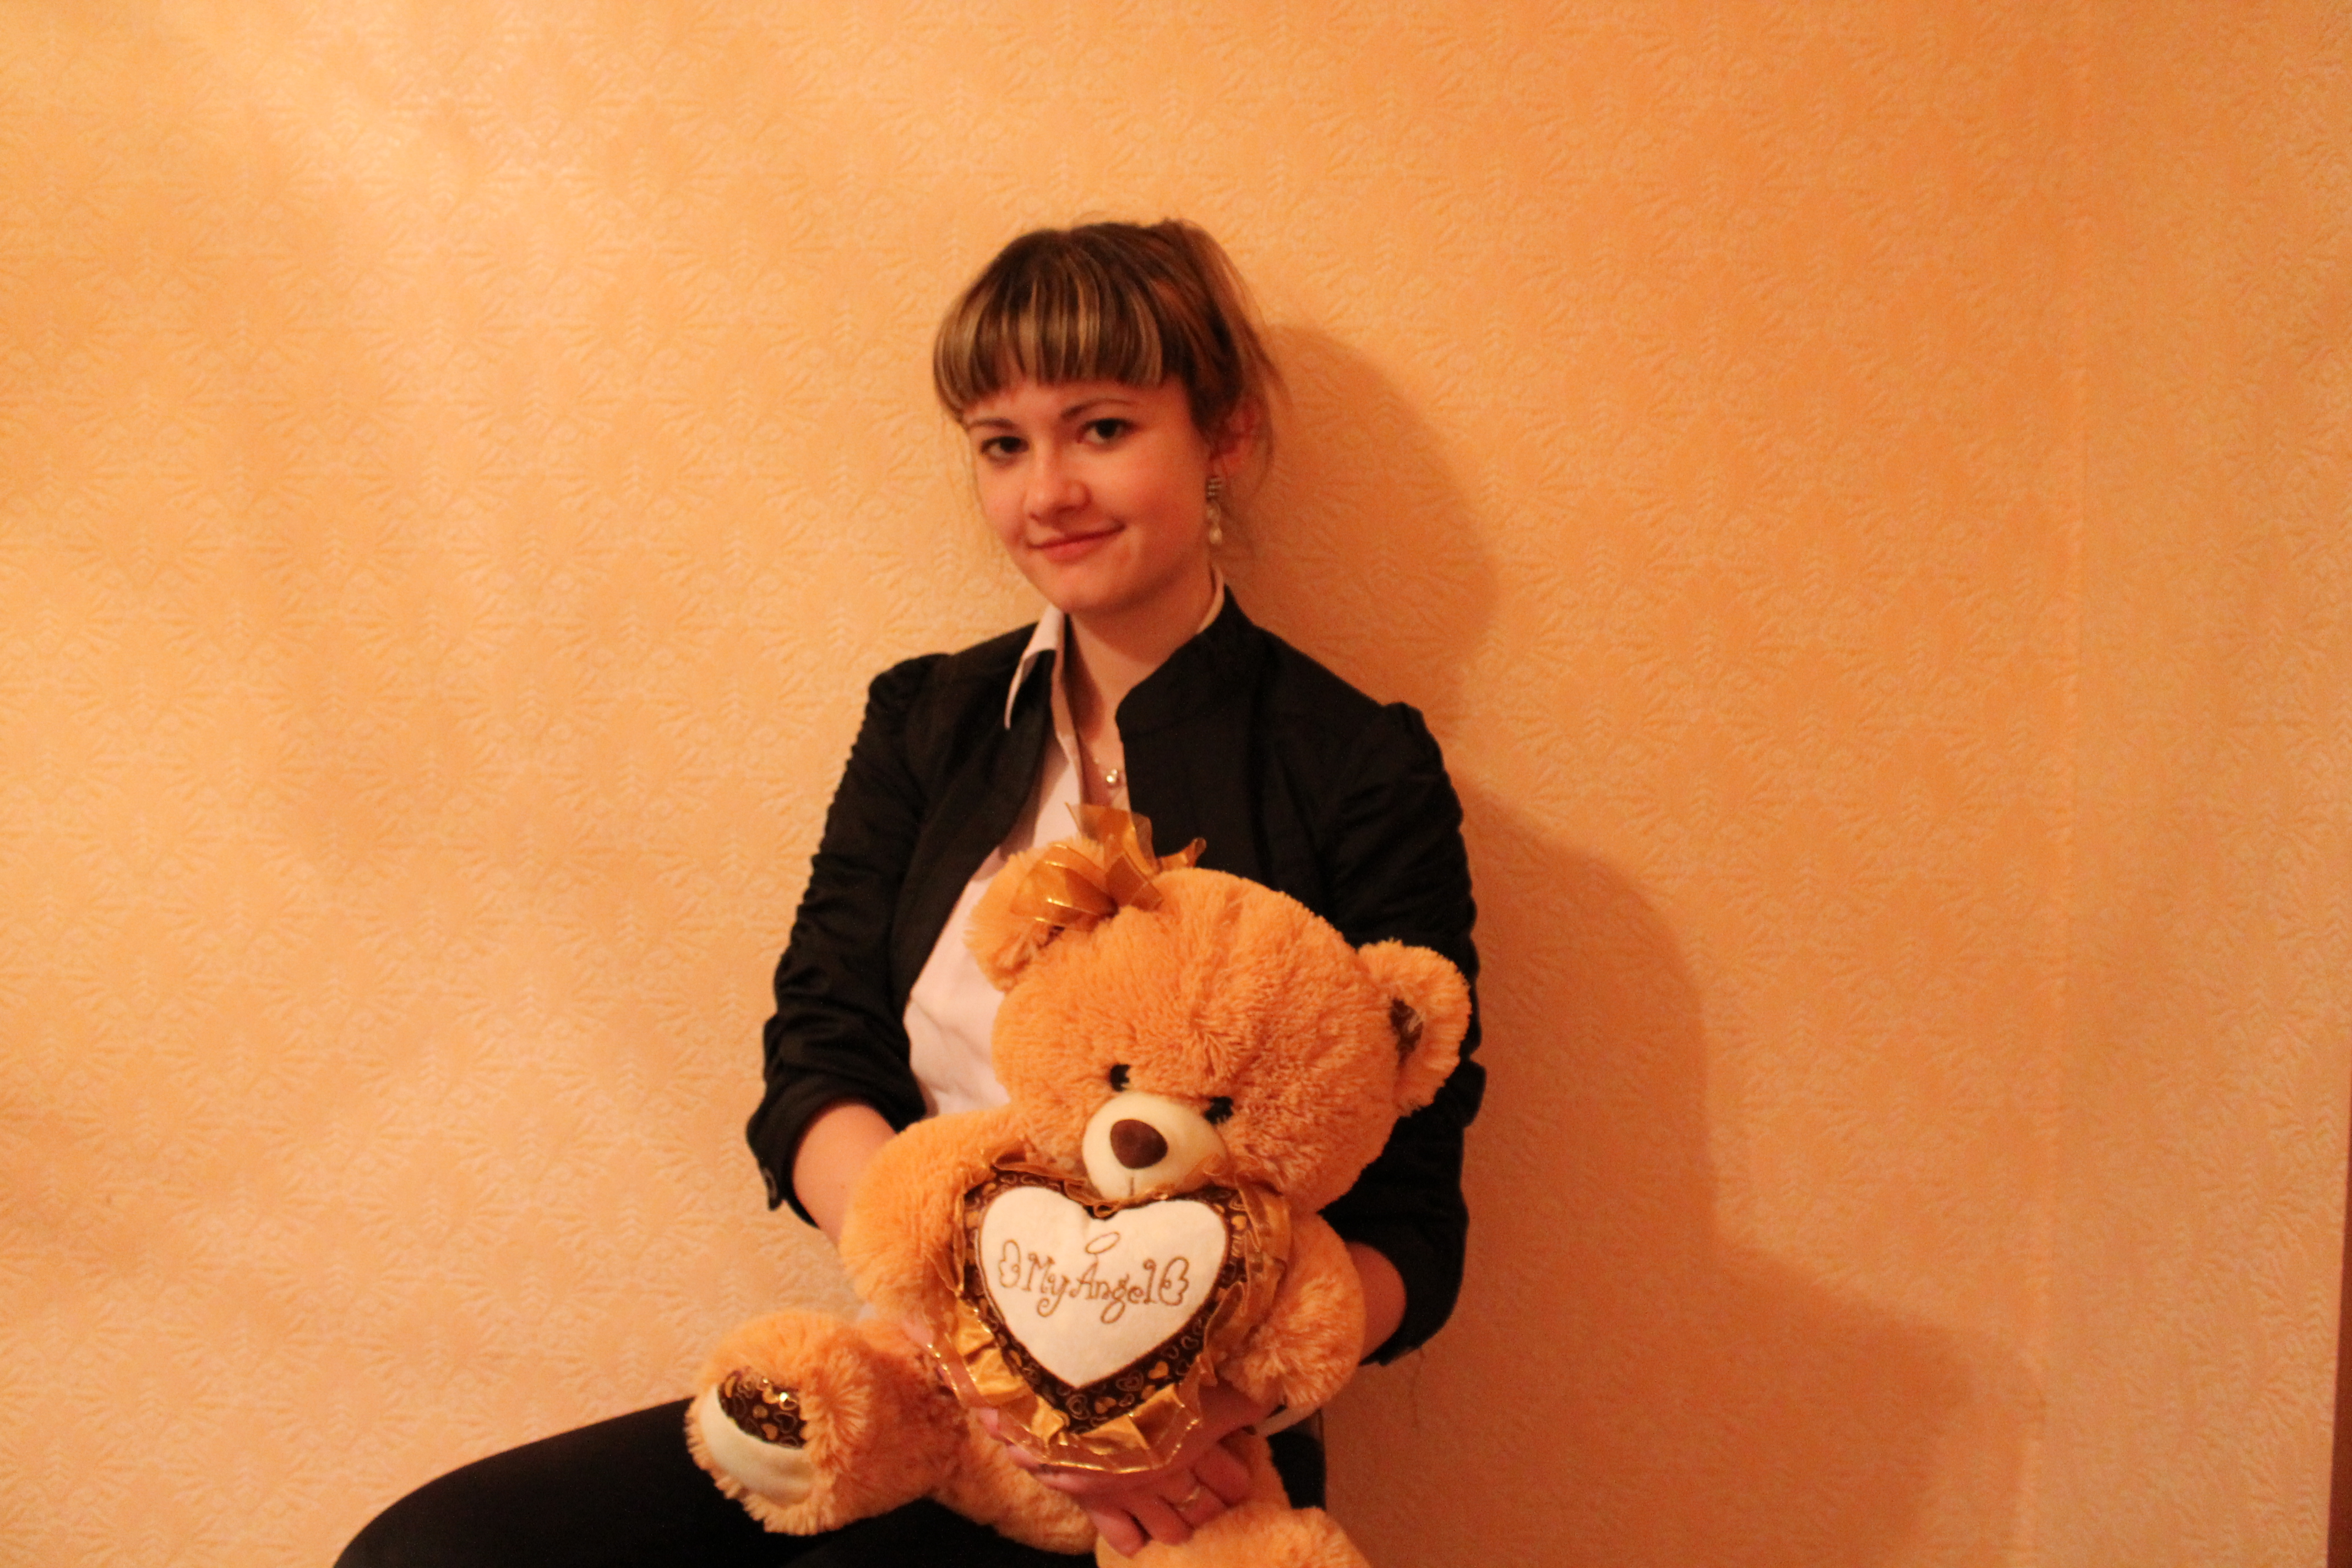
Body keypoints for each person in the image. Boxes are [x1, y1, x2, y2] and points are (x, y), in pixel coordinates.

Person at [339, 219, 1482, 1567]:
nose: (1047, 489)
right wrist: (981, 1346)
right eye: (1002, 444)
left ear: (1222, 433)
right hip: (917, 1384)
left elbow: (1414, 1218)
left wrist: (1160, 1418)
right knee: (431, 1551)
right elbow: (817, 1056)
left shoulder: (1355, 764)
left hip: (1189, 1463)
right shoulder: (926, 721)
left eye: (1102, 428)